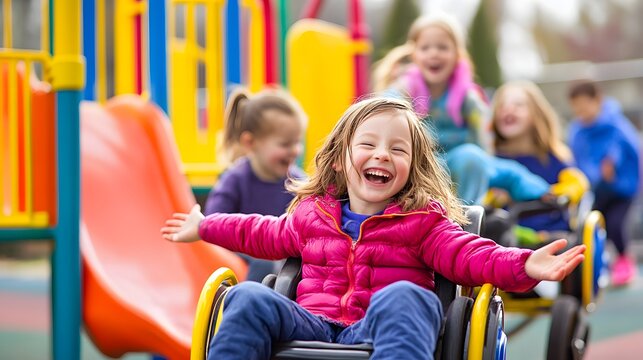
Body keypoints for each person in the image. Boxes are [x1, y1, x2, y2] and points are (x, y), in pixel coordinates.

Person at [162, 97, 586, 360]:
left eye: (397, 149)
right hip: (311, 323)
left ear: (413, 168)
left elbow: (470, 254)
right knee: (247, 296)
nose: (381, 155)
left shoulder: (423, 222)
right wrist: (205, 225)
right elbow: (259, 231)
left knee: (407, 298)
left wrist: (526, 263)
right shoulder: (312, 215)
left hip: (377, 329)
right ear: (339, 158)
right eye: (368, 144)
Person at [373, 13, 550, 205]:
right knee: (464, 161)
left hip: (459, 163)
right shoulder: (405, 90)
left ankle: (544, 195)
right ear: (415, 55)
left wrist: (488, 171)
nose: (434, 53)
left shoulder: (468, 98)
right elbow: (384, 108)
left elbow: (483, 138)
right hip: (419, 165)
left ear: (457, 55)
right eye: (425, 48)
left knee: (503, 168)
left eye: (442, 47)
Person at [204, 87, 307, 282]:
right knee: (264, 262)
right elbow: (211, 226)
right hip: (240, 262)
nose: (295, 151)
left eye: (297, 142)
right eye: (285, 144)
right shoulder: (234, 181)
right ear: (250, 142)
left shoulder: (298, 184)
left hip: (282, 262)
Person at [568, 80, 640, 286]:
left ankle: (625, 260)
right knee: (596, 228)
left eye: (585, 106)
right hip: (596, 191)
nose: (582, 112)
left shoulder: (615, 124)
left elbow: (626, 149)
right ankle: (602, 264)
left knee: (617, 224)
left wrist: (614, 166)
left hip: (621, 190)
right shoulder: (577, 132)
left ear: (597, 100)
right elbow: (577, 160)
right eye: (577, 108)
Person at [490, 81, 578, 235]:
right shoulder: (494, 161)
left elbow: (577, 183)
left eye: (518, 105)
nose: (508, 109)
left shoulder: (554, 157)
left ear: (536, 114)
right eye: (502, 106)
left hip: (554, 234)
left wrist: (556, 194)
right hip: (508, 238)